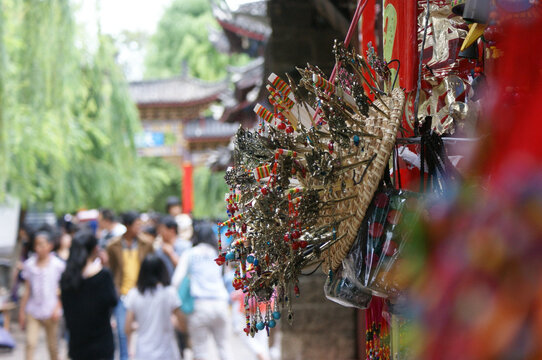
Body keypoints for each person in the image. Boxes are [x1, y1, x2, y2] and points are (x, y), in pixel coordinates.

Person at [172, 221, 232, 360]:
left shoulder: (190, 254)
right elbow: (226, 278)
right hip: (221, 303)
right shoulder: (219, 254)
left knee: (201, 351)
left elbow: (176, 280)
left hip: (200, 306)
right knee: (224, 347)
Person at [60, 231, 118, 360]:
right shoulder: (103, 276)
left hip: (77, 344)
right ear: (95, 249)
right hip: (101, 343)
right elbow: (113, 300)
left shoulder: (66, 278)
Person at [106, 211, 154, 360]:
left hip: (142, 291)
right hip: (122, 293)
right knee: (122, 331)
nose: (139, 227)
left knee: (146, 329)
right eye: (136, 225)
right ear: (127, 226)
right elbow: (112, 269)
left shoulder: (146, 244)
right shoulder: (113, 246)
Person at [125, 255, 184, 360]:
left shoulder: (134, 294)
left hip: (143, 353)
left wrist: (138, 325)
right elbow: (183, 325)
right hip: (168, 353)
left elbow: (127, 328)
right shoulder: (169, 293)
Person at [18, 230, 66, 360]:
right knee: (30, 343)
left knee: (53, 346)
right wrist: (22, 312)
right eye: (37, 245)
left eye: (42, 245)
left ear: (50, 246)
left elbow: (62, 289)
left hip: (52, 310)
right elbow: (27, 290)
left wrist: (58, 306)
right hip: (33, 310)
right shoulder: (29, 265)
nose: (39, 248)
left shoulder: (58, 265)